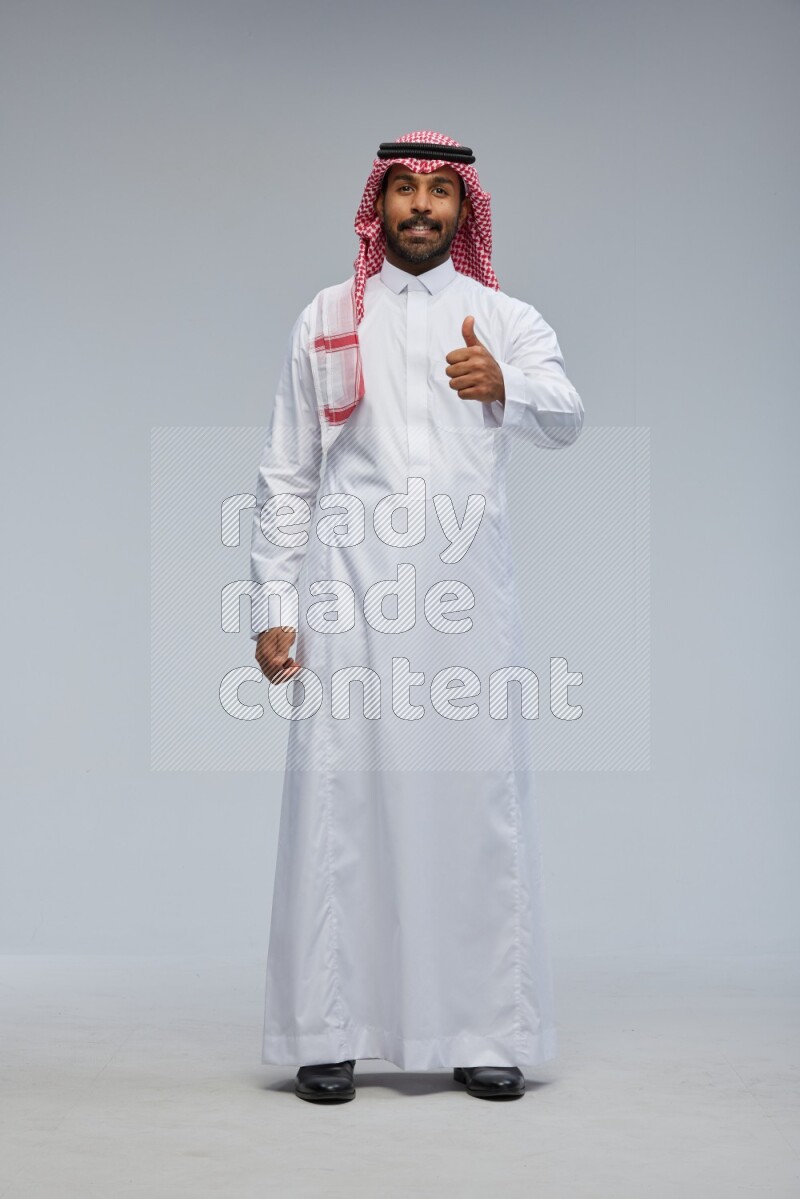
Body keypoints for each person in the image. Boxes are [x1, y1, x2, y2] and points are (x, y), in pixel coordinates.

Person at [249, 131, 584, 1103]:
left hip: (464, 608)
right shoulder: (325, 317)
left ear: (464, 208)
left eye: (441, 190)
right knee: (341, 808)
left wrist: (507, 384)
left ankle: (483, 1030)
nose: (422, 206)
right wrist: (274, 603)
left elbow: (567, 413)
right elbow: (285, 473)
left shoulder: (502, 318)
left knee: (473, 809)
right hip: (350, 599)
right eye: (405, 189)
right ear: (379, 204)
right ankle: (329, 1029)